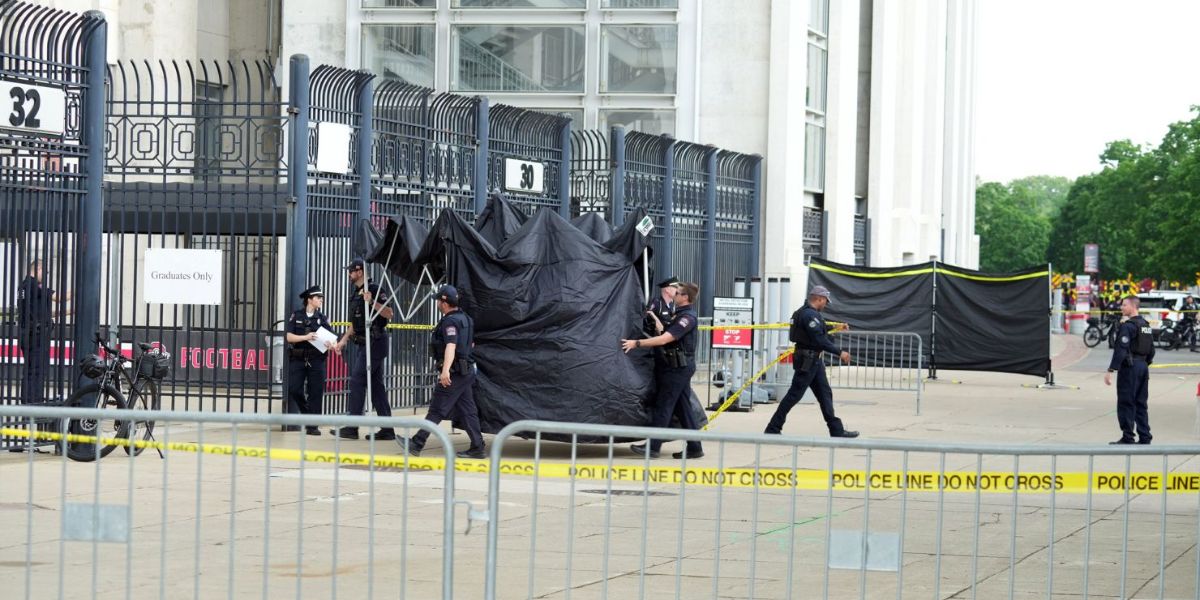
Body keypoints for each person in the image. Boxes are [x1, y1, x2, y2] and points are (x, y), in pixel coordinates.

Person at [397, 285, 486, 459]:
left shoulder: (450, 321)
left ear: (444, 303)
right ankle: (478, 446)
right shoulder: (466, 318)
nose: (437, 303)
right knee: (468, 410)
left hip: (455, 373)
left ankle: (417, 442)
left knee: (437, 409)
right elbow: (471, 344)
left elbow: (451, 346)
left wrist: (445, 371)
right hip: (467, 372)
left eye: (438, 300)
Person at [621, 281, 704, 459]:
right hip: (676, 366)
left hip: (677, 369)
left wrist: (637, 343)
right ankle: (695, 447)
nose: (674, 294)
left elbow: (665, 340)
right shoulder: (679, 315)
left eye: (678, 292)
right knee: (683, 408)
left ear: (685, 298)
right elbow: (665, 334)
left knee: (664, 405)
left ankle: (653, 447)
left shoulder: (686, 318)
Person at [764, 285, 859, 438]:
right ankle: (773, 427)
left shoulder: (807, 313)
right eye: (825, 301)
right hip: (808, 361)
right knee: (794, 395)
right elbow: (819, 339)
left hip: (813, 360)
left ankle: (836, 429)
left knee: (825, 394)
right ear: (819, 299)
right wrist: (840, 353)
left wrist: (836, 326)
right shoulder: (809, 315)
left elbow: (818, 330)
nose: (826, 304)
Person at [330, 258, 396, 441]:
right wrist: (343, 341)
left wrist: (372, 302)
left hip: (375, 341)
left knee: (358, 379)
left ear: (359, 271)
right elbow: (355, 323)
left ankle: (352, 427)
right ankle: (387, 429)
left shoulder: (374, 289)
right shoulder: (355, 293)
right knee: (376, 386)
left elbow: (389, 313)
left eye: (351, 271)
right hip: (363, 342)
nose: (349, 274)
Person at [284, 285, 335, 435]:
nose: (321, 300)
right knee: (294, 389)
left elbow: (332, 341)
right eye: (318, 298)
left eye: (321, 298)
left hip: (316, 359)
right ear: (309, 300)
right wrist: (305, 337)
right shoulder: (297, 315)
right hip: (298, 358)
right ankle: (307, 414)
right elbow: (289, 337)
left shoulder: (322, 319)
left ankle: (313, 426)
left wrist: (330, 344)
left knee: (316, 392)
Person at [1104, 295, 1155, 444]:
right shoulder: (1146, 325)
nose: (1121, 307)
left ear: (1133, 307)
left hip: (1130, 367)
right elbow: (1151, 350)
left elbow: (1121, 349)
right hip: (1143, 367)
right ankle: (1145, 437)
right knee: (1141, 403)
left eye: (1124, 305)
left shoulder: (1128, 326)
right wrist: (1144, 365)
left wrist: (1111, 369)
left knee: (1126, 402)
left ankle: (1128, 436)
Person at [17, 259, 53, 404]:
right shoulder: (32, 285)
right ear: (38, 268)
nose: (46, 275)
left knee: (29, 370)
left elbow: (39, 313)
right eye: (46, 272)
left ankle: (27, 401)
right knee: (37, 371)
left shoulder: (23, 287)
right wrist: (80, 290)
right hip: (36, 335)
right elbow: (59, 298)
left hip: (26, 333)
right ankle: (34, 402)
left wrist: (69, 311)